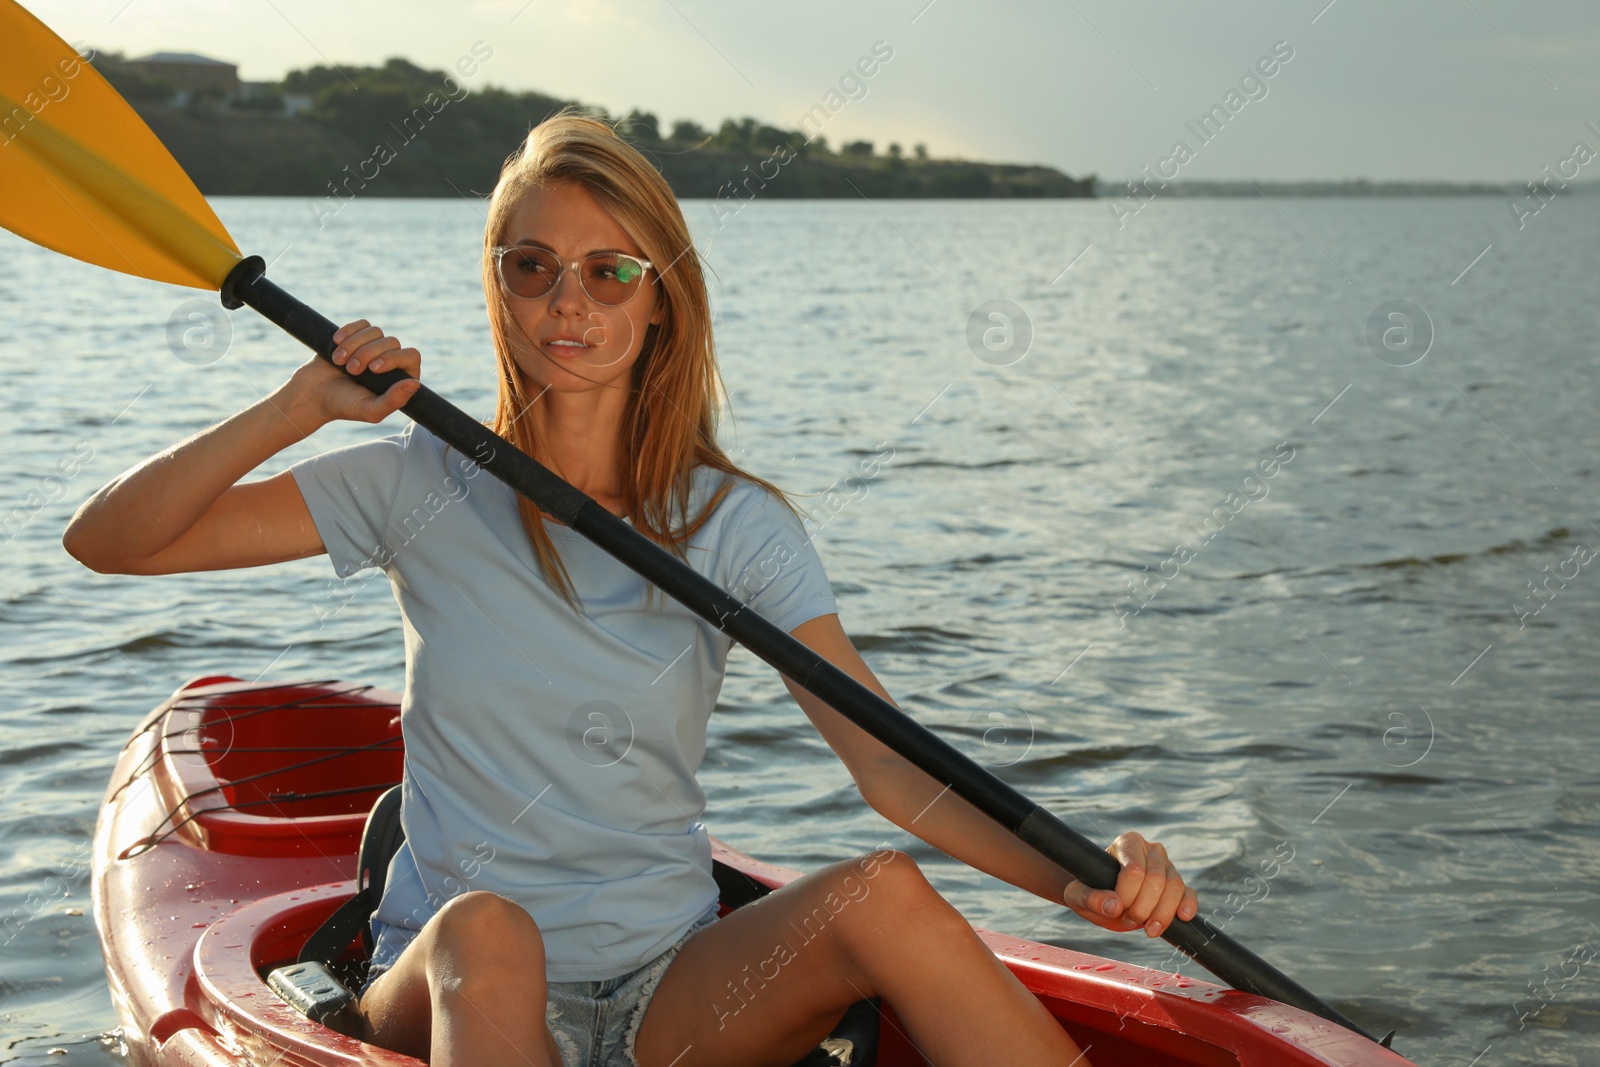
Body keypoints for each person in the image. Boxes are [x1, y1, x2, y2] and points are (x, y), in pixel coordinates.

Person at [64, 111, 1198, 1067]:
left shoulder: (731, 523)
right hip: (458, 981)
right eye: (532, 266)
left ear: (662, 298)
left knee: (886, 892)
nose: (571, 301)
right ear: (499, 289)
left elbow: (894, 767)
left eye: (609, 270)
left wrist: (1084, 883)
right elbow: (111, 542)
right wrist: (296, 406)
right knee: (492, 933)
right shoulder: (413, 479)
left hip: (670, 991)